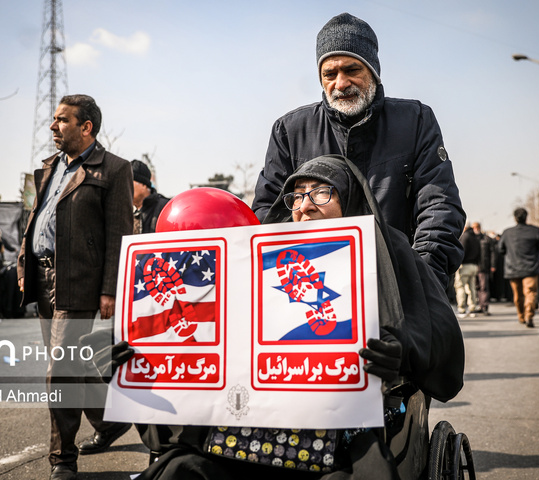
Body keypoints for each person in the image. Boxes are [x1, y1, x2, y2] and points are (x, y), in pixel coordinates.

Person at [131, 155, 464, 480]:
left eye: (321, 192)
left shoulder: (390, 250)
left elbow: (435, 333)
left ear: (348, 199)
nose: (305, 205)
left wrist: (399, 351)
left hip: (345, 425)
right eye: (297, 196)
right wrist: (138, 366)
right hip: (257, 424)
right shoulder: (260, 259)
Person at [251, 12, 465, 290]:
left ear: (373, 71)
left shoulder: (415, 120)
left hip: (400, 287)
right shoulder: (289, 130)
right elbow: (267, 214)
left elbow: (439, 206)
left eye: (351, 70)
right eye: (330, 74)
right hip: (314, 290)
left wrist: (421, 281)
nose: (340, 83)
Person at [17, 94, 133, 480]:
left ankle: (62, 459)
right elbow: (36, 219)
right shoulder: (49, 168)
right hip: (42, 276)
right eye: (53, 119)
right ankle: (109, 421)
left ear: (86, 127)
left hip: (81, 280)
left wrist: (109, 289)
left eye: (62, 120)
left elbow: (119, 233)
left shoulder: (114, 169)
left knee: (59, 370)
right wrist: (23, 262)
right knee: (75, 364)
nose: (53, 126)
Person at [499, 208, 539, 328]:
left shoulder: (507, 232)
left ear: (515, 218)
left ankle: (521, 316)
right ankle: (529, 315)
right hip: (531, 268)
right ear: (526, 217)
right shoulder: (535, 231)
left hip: (513, 268)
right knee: (530, 292)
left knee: (517, 295)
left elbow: (500, 249)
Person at [131, 159, 170, 234]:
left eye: (130, 182)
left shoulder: (165, 208)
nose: (125, 187)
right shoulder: (125, 212)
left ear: (144, 185)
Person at [454, 224, 480, 318]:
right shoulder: (475, 237)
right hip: (474, 266)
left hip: (464, 266)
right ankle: (472, 308)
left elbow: (462, 251)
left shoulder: (465, 236)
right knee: (472, 288)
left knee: (460, 286)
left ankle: (461, 309)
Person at [473, 222, 495, 315]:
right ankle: (480, 305)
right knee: (477, 287)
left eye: (477, 227)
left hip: (483, 266)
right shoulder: (472, 239)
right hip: (474, 266)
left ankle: (484, 306)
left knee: (484, 287)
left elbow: (493, 253)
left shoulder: (486, 239)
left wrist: (493, 265)